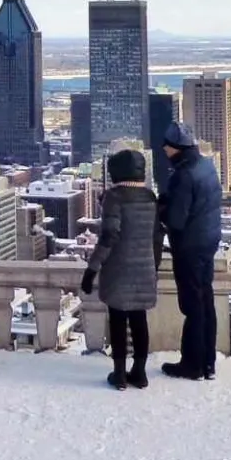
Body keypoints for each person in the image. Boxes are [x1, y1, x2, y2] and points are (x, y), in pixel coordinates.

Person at [82, 149, 161, 390]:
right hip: (145, 268)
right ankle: (140, 372)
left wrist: (92, 269)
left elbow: (109, 237)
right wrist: (153, 265)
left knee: (118, 320)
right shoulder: (150, 197)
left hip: (118, 269)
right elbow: (157, 236)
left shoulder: (114, 198)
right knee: (139, 320)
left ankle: (119, 374)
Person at [157, 123, 223, 380]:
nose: (165, 150)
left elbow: (176, 220)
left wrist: (161, 208)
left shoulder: (183, 175)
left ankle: (192, 365)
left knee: (193, 305)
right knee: (206, 301)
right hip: (208, 241)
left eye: (167, 146)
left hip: (189, 246)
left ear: (176, 148)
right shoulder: (207, 166)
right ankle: (208, 362)